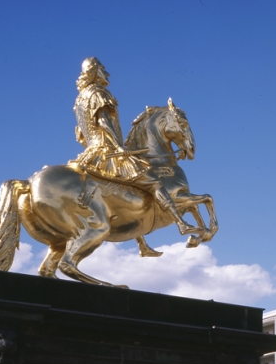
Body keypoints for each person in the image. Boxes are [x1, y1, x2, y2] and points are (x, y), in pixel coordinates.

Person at [72, 57, 198, 235]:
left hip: (90, 153)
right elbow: (104, 121)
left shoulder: (80, 100)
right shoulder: (98, 94)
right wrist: (118, 146)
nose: (106, 73)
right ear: (94, 71)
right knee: (154, 184)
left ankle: (142, 243)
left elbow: (80, 133)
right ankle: (182, 224)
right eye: (102, 69)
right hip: (107, 151)